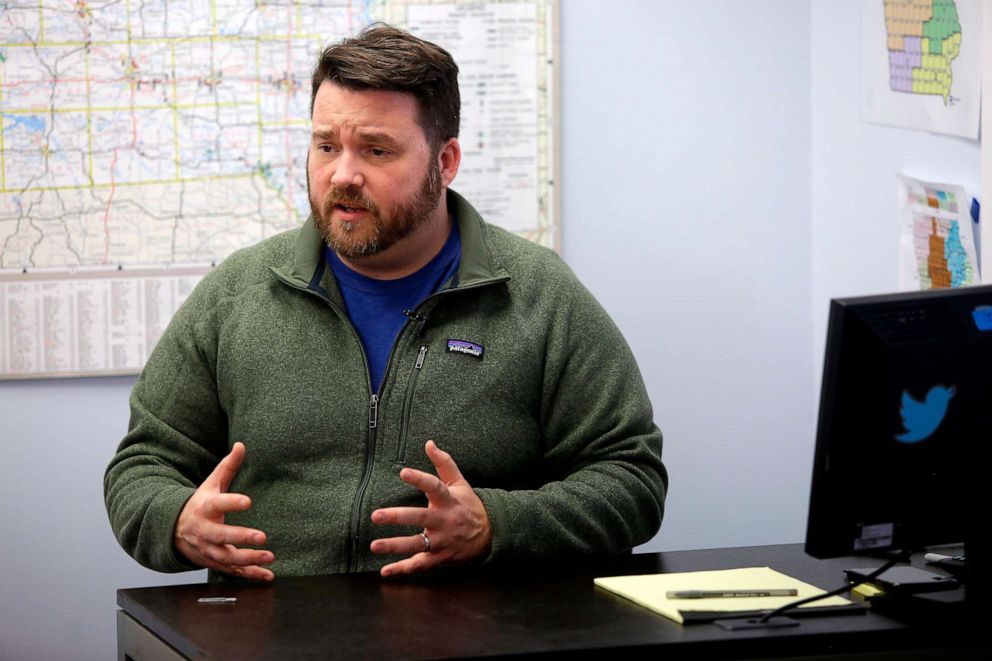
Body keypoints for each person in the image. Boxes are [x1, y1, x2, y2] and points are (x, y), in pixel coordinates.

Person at [104, 24, 667, 582]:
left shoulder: (536, 295)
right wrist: (175, 521)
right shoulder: (239, 293)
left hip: (475, 633)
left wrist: (498, 524)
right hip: (272, 631)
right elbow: (142, 464)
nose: (343, 175)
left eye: (376, 150)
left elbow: (631, 479)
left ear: (445, 162)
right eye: (327, 146)